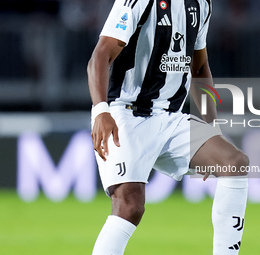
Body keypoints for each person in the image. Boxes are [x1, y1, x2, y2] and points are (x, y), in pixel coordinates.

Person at [87, 0, 249, 254]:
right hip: (126, 114)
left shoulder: (201, 4)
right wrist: (101, 110)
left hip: (171, 117)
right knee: (130, 206)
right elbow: (100, 55)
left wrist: (212, 128)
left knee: (234, 162)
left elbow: (199, 66)